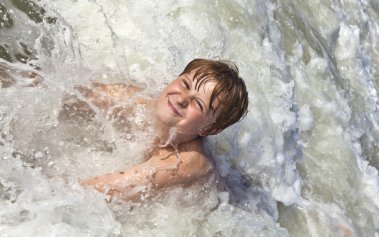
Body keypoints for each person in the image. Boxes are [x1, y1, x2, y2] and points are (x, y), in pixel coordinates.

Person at [0, 59, 249, 202]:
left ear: (209, 128)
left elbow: (97, 193)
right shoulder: (137, 102)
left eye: (198, 103)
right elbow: (57, 88)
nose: (182, 98)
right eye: (184, 84)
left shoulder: (186, 163)